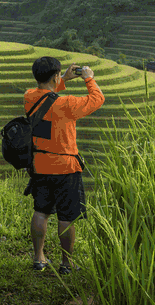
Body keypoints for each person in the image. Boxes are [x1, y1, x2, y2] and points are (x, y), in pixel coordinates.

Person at [25, 56, 104, 275]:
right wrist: (89, 79)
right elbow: (97, 99)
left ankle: (39, 257)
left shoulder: (29, 97)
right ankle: (66, 264)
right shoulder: (67, 104)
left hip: (39, 165)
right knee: (66, 218)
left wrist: (63, 79)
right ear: (55, 76)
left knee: (41, 212)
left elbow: (46, 96)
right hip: (66, 168)